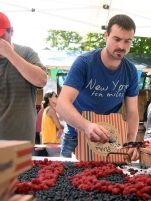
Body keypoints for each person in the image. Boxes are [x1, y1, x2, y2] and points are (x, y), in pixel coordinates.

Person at [56, 14, 139, 161]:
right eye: (117, 39)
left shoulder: (131, 70)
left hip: (112, 140)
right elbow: (62, 104)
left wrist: (131, 141)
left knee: (111, 182)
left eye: (127, 41)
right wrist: (86, 126)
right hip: (76, 136)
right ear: (106, 36)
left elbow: (132, 111)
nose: (121, 46)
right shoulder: (84, 62)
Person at [0, 11, 47, 142]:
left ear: (11, 31)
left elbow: (41, 80)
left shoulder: (26, 53)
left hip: (21, 143)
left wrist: (10, 54)